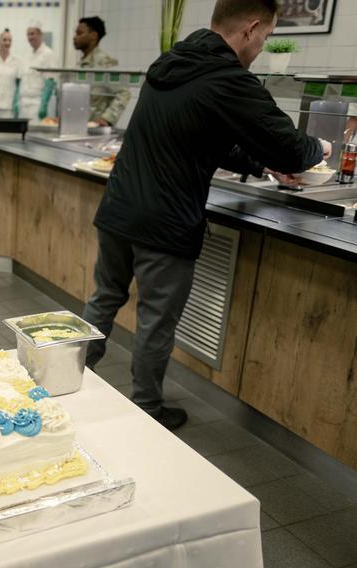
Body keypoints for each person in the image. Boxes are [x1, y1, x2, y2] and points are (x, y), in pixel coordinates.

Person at [81, 0, 330, 431]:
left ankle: (64, 384)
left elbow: (197, 135)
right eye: (267, 38)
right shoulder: (228, 78)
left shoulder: (173, 61)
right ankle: (147, 410)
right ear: (251, 28)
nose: (262, 49)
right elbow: (290, 147)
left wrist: (258, 165)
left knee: (103, 300)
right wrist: (319, 149)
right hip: (166, 221)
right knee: (155, 322)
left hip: (120, 208)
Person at [72, 16, 130, 126]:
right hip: (81, 127)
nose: (75, 37)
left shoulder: (104, 62)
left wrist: (107, 119)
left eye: (79, 33)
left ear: (93, 35)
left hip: (96, 132)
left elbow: (124, 92)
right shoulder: (82, 63)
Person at [20, 20, 57, 123]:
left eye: (33, 34)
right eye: (28, 34)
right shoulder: (27, 56)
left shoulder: (48, 54)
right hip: (24, 105)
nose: (30, 37)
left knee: (36, 134)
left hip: (38, 104)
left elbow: (50, 81)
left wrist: (44, 104)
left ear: (41, 34)